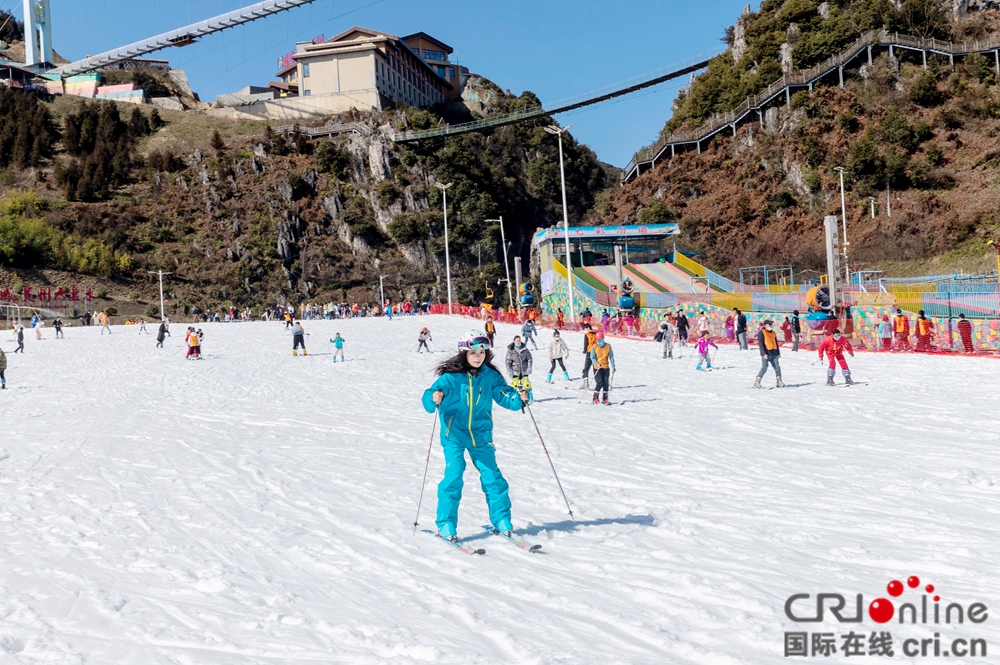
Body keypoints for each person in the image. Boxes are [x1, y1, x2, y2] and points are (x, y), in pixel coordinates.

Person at [422, 332, 529, 540]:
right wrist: (434, 398)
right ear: (464, 353)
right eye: (473, 353)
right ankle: (446, 523)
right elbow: (429, 396)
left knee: (493, 477)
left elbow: (504, 395)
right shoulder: (450, 377)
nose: (478, 357)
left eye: (481, 352)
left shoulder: (489, 375)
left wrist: (519, 398)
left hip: (480, 434)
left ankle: (501, 519)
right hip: (453, 434)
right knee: (454, 475)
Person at [754, 320, 784, 388]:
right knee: (764, 368)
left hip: (774, 353)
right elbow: (761, 344)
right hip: (766, 353)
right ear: (765, 325)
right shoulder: (762, 333)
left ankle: (779, 381)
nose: (771, 326)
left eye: (771, 325)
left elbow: (775, 343)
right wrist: (764, 353)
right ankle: (757, 381)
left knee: (777, 367)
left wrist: (778, 353)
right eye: (769, 324)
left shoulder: (773, 333)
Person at [589, 331, 615, 405]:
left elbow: (611, 356)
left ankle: (605, 398)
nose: (599, 341)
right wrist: (597, 364)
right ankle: (595, 397)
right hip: (597, 368)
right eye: (598, 340)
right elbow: (592, 358)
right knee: (600, 382)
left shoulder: (608, 346)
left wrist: (613, 366)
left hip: (605, 367)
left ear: (603, 338)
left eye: (600, 339)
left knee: (606, 383)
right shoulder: (594, 347)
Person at [505, 335, 533, 402]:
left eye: (519, 340)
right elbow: (508, 361)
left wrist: (529, 367)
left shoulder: (524, 349)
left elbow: (529, 358)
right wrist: (509, 370)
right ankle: (513, 397)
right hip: (515, 370)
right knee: (515, 384)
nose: (518, 342)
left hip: (524, 369)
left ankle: (529, 397)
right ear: (514, 341)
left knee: (526, 384)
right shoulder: (511, 350)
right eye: (517, 341)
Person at [579, 323, 598, 390]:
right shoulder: (596, 334)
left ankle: (585, 383)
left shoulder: (587, 335)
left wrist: (584, 350)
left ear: (588, 328)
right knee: (596, 368)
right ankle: (599, 383)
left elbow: (586, 344)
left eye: (585, 329)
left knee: (586, 368)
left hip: (590, 352)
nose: (584, 330)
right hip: (596, 352)